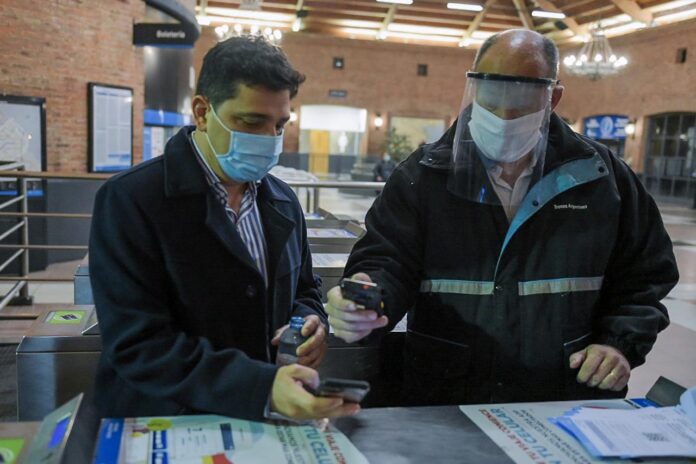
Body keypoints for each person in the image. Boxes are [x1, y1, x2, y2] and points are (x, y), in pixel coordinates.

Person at [326, 29, 679, 406]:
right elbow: (387, 260)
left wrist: (618, 344)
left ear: (553, 98)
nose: (503, 118)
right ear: (474, 87)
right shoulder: (423, 176)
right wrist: (368, 295)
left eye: (521, 105)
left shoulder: (601, 179)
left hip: (564, 395)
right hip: (446, 394)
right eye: (492, 101)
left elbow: (644, 275)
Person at [89, 36, 358, 421]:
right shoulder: (131, 201)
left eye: (280, 124)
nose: (269, 138)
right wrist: (260, 387)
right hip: (167, 419)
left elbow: (304, 289)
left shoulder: (282, 201)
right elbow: (138, 344)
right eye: (251, 121)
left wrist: (312, 323)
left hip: (257, 417)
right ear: (202, 112)